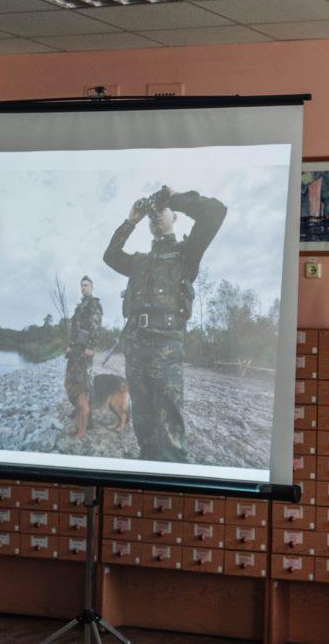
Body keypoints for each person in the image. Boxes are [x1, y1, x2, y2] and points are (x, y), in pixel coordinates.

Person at [103, 185, 226, 462]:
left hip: (166, 349)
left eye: (162, 211)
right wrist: (131, 220)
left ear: (175, 217)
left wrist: (174, 198)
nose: (155, 216)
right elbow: (110, 256)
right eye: (151, 214)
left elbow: (216, 212)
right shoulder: (139, 261)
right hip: (135, 348)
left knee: (171, 434)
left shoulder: (186, 253)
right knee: (143, 427)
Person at [64, 275, 102, 438]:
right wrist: (68, 345)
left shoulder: (94, 304)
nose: (83, 288)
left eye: (86, 285)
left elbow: (96, 326)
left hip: (85, 349)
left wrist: (91, 347)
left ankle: (89, 417)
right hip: (75, 349)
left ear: (92, 287)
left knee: (85, 383)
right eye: (81, 285)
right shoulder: (80, 306)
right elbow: (73, 328)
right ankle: (77, 407)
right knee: (72, 379)